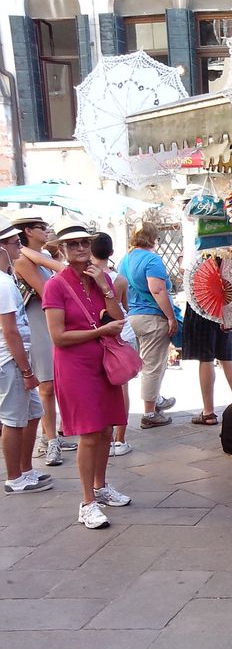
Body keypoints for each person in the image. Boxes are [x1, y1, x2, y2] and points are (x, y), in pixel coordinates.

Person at [43, 219, 132, 529]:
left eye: (84, 243)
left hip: (102, 363)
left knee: (107, 429)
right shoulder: (56, 284)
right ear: (61, 250)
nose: (80, 248)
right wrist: (99, 332)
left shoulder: (99, 279)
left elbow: (118, 318)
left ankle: (101, 487)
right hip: (74, 367)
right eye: (72, 244)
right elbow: (57, 337)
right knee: (90, 433)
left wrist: (107, 289)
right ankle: (87, 502)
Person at [10, 212, 68, 465]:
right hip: (36, 323)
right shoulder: (23, 259)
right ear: (28, 231)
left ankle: (51, 435)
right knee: (45, 383)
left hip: (46, 322)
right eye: (41, 227)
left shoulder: (40, 257)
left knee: (53, 382)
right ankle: (50, 440)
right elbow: (48, 292)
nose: (46, 230)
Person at [0, 219, 51, 493]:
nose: (18, 246)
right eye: (13, 242)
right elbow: (10, 331)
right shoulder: (3, 284)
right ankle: (14, 477)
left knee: (33, 413)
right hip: (10, 361)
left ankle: (26, 469)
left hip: (17, 358)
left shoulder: (7, 279)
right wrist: (27, 371)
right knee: (14, 419)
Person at [120, 221, 176, 428]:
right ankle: (150, 413)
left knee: (150, 363)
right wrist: (170, 317)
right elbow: (158, 290)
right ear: (153, 238)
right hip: (151, 317)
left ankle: (156, 399)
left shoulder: (124, 260)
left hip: (133, 317)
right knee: (153, 365)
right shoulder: (151, 260)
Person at [91, 232, 132, 456]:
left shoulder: (87, 276)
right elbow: (123, 308)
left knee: (103, 385)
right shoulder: (120, 279)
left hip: (101, 332)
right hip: (122, 331)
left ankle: (102, 433)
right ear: (111, 253)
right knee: (122, 386)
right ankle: (120, 439)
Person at [180, 305, 232, 425]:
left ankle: (208, 412)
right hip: (226, 309)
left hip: (203, 308)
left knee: (206, 358)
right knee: (228, 357)